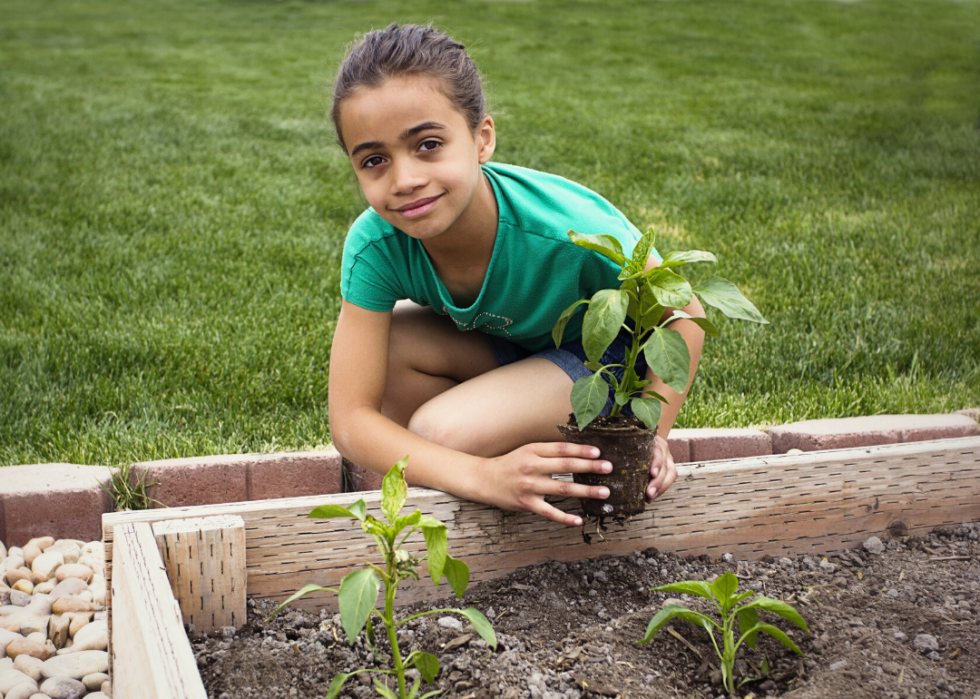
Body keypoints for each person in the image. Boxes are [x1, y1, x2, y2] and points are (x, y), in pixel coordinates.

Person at [327, 23, 705, 527]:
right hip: (517, 348)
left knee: (440, 435)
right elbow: (352, 420)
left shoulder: (564, 230)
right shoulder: (376, 245)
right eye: (375, 160)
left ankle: (571, 458)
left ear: (482, 139)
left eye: (428, 145)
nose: (406, 180)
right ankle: (504, 474)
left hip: (607, 360)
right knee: (390, 347)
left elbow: (686, 314)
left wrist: (653, 433)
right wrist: (480, 476)